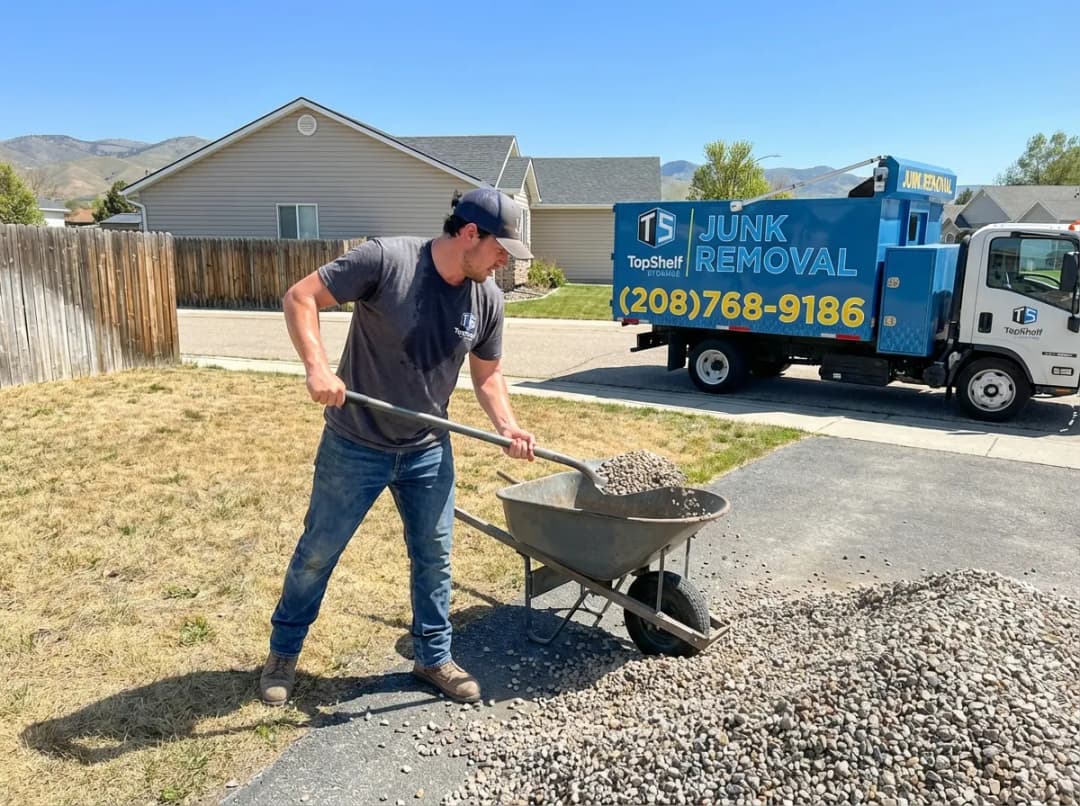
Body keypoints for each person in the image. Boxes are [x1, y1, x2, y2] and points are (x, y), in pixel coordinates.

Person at [260, 187, 536, 706]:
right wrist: (318, 367)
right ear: (470, 233)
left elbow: (488, 375)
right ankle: (283, 651)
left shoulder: (487, 299)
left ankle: (433, 657)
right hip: (355, 443)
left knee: (435, 556)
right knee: (318, 553)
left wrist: (507, 424)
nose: (504, 261)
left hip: (428, 448)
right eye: (501, 248)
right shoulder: (386, 260)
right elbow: (300, 297)